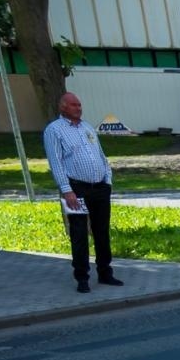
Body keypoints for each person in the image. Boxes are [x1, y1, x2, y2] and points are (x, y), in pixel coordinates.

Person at [43, 92, 120, 293]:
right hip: (76, 189)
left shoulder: (87, 127)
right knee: (79, 233)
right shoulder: (54, 130)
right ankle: (82, 277)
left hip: (100, 187)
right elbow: (56, 162)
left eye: (79, 104)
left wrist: (107, 180)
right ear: (63, 107)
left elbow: (100, 155)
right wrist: (67, 190)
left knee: (102, 231)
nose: (78, 108)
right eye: (74, 105)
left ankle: (105, 272)